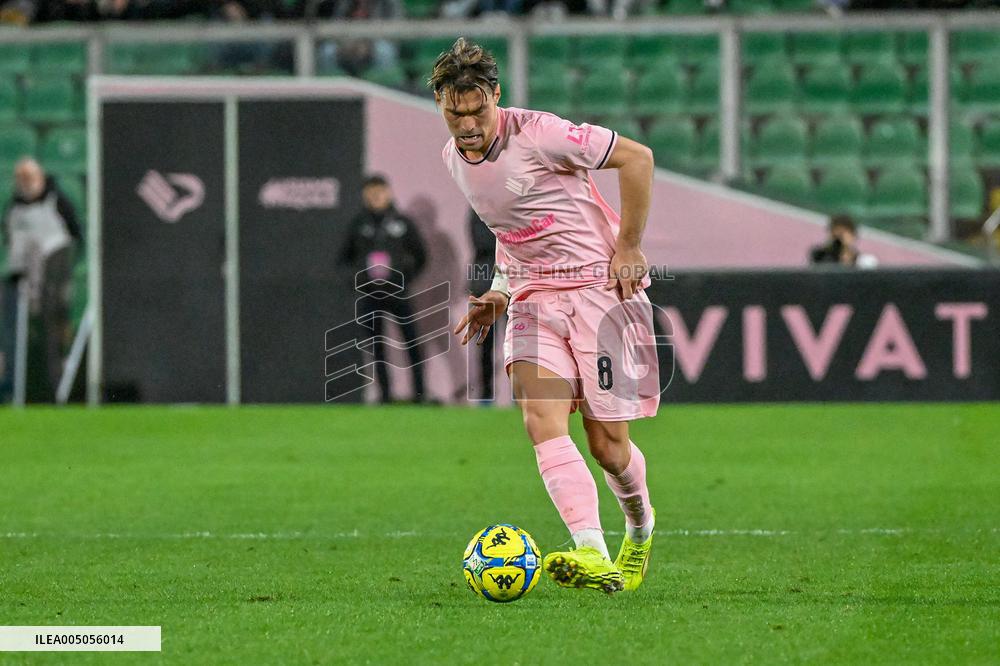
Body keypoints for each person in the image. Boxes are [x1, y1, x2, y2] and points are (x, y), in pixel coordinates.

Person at [435, 38, 659, 594]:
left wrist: (629, 245)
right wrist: (499, 290)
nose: (466, 124)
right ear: (440, 102)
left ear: (496, 97)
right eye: (453, 111)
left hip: (600, 291)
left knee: (608, 445)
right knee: (540, 417)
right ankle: (591, 552)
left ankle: (640, 527)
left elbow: (638, 158)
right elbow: (513, 232)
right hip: (534, 298)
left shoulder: (541, 132)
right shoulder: (452, 160)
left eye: (477, 110)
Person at [340, 174, 429, 404]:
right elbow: (343, 259)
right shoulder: (359, 224)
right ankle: (385, 395)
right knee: (376, 345)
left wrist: (406, 278)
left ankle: (419, 393)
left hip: (397, 292)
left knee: (411, 341)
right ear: (365, 196)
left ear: (388, 193)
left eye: (380, 192)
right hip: (370, 294)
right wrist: (356, 280)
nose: (376, 197)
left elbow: (421, 255)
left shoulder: (401, 222)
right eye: (371, 193)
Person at [1, 158, 82, 401]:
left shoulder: (57, 202)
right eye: (20, 178)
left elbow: (75, 237)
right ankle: (13, 384)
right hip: (20, 276)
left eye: (29, 178)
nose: (24, 184)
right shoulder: (13, 208)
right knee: (11, 330)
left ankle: (55, 387)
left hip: (52, 278)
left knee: (51, 331)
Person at [466, 207, 500, 402]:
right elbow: (482, 242)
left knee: (519, 344)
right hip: (485, 284)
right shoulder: (478, 205)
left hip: (515, 282)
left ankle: (519, 395)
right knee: (485, 342)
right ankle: (486, 395)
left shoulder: (515, 202)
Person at [810, 215, 878, 269]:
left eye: (841, 234)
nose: (838, 239)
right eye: (834, 234)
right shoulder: (820, 257)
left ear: (853, 235)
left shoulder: (865, 262)